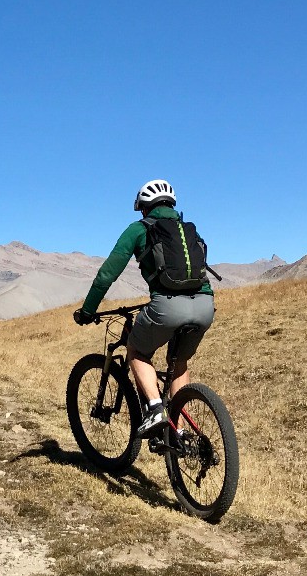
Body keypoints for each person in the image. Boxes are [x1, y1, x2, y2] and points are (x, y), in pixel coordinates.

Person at [74, 179, 217, 439]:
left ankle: (155, 409)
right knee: (178, 361)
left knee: (136, 350)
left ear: (143, 208)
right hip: (205, 306)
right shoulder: (188, 231)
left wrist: (87, 310)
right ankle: (181, 433)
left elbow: (107, 274)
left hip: (167, 307)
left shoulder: (139, 229)